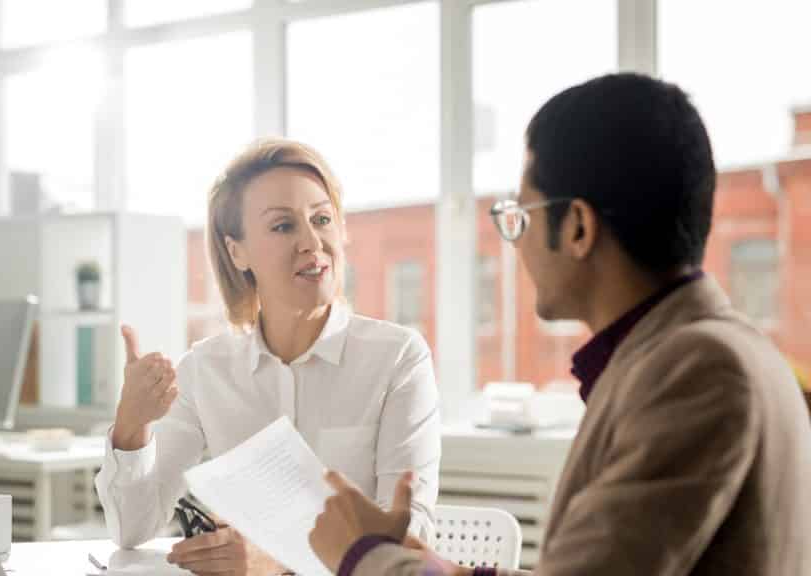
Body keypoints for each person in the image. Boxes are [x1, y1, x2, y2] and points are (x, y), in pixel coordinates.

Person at [307, 73, 811, 576]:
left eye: (521, 216)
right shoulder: (699, 351)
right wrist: (444, 569)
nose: (517, 243)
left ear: (577, 227)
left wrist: (361, 557)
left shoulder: (697, 370)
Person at [95, 138, 442, 575]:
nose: (312, 241)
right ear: (236, 251)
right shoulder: (206, 370)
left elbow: (410, 541)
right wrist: (131, 425)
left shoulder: (398, 358)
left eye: (322, 219)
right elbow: (132, 528)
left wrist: (279, 565)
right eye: (283, 226)